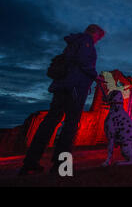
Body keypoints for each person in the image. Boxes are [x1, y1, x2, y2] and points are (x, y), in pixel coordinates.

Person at [19, 24, 105, 175]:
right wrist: (94, 76)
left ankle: (30, 162)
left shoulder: (74, 41)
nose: (98, 41)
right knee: (71, 124)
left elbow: (73, 61)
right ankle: (61, 166)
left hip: (62, 85)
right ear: (94, 33)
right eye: (99, 37)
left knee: (50, 121)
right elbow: (83, 61)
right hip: (75, 87)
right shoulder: (86, 40)